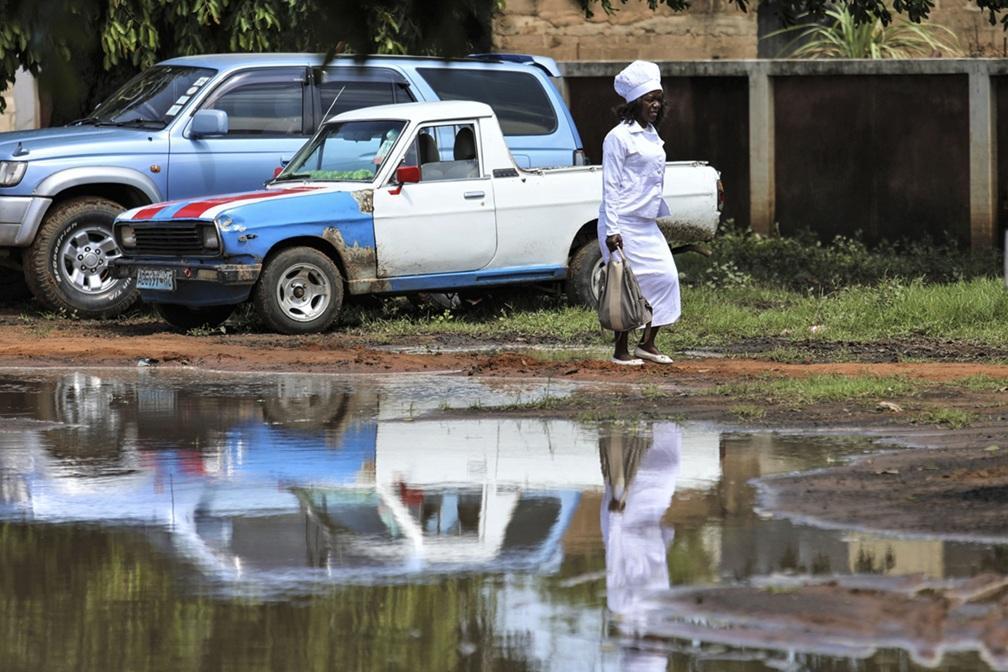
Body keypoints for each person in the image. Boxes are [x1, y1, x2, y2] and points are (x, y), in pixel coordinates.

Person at [598, 60, 680, 366]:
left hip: (645, 222)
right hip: (621, 223)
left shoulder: (652, 135)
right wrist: (611, 230)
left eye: (659, 99)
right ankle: (620, 351)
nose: (656, 105)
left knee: (666, 277)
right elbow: (610, 186)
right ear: (635, 102)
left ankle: (647, 344)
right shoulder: (618, 138)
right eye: (650, 99)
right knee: (625, 285)